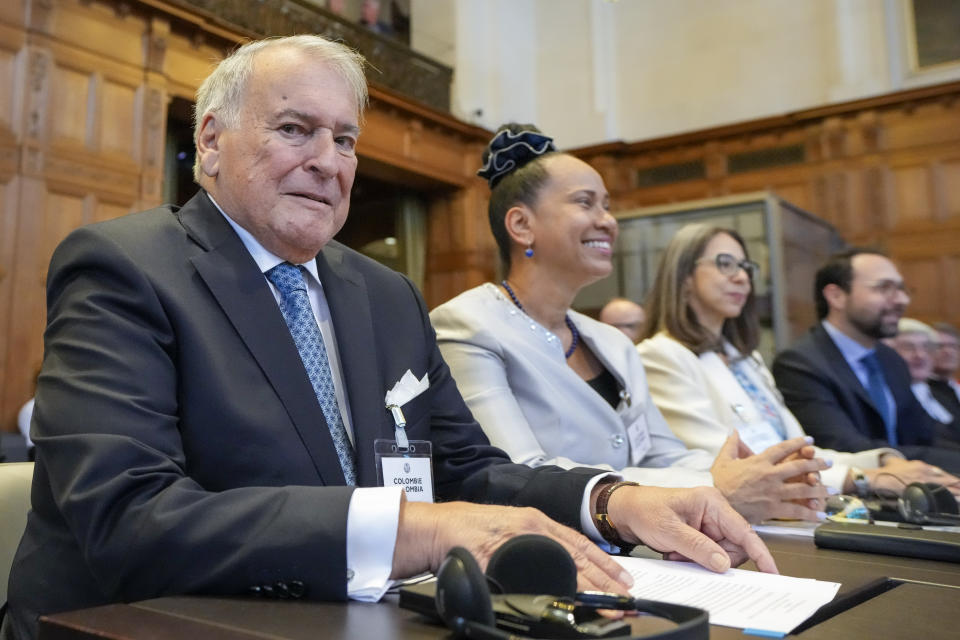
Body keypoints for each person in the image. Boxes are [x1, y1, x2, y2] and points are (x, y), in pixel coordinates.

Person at [2, 37, 776, 640]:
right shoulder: (123, 267)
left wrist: (611, 501)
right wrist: (416, 528)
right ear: (210, 141)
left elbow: (466, 470)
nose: (326, 162)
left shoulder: (383, 293)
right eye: (295, 130)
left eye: (343, 140)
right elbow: (128, 518)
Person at [430, 123, 829, 526]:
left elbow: (662, 453)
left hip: (646, 538)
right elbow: (518, 472)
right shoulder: (468, 325)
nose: (607, 221)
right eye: (585, 203)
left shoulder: (611, 342)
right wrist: (710, 483)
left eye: (607, 205)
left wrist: (755, 473)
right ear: (521, 225)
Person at [636, 224, 956, 497]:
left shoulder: (746, 361)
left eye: (746, 267)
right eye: (725, 264)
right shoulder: (661, 356)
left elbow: (797, 450)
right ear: (684, 276)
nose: (742, 278)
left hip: (792, 507)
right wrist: (862, 479)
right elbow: (728, 465)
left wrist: (881, 462)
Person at [772, 248, 960, 473]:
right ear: (836, 296)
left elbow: (924, 433)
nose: (902, 299)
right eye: (884, 288)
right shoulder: (800, 364)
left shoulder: (889, 358)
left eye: (901, 289)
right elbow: (849, 449)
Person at [889, 318, 960, 447]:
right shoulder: (889, 398)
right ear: (888, 352)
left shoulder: (943, 394)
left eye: (926, 347)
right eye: (908, 347)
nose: (920, 355)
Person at [929, 322, 960, 421]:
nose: (948, 351)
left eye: (953, 346)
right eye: (940, 346)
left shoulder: (957, 388)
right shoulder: (920, 390)